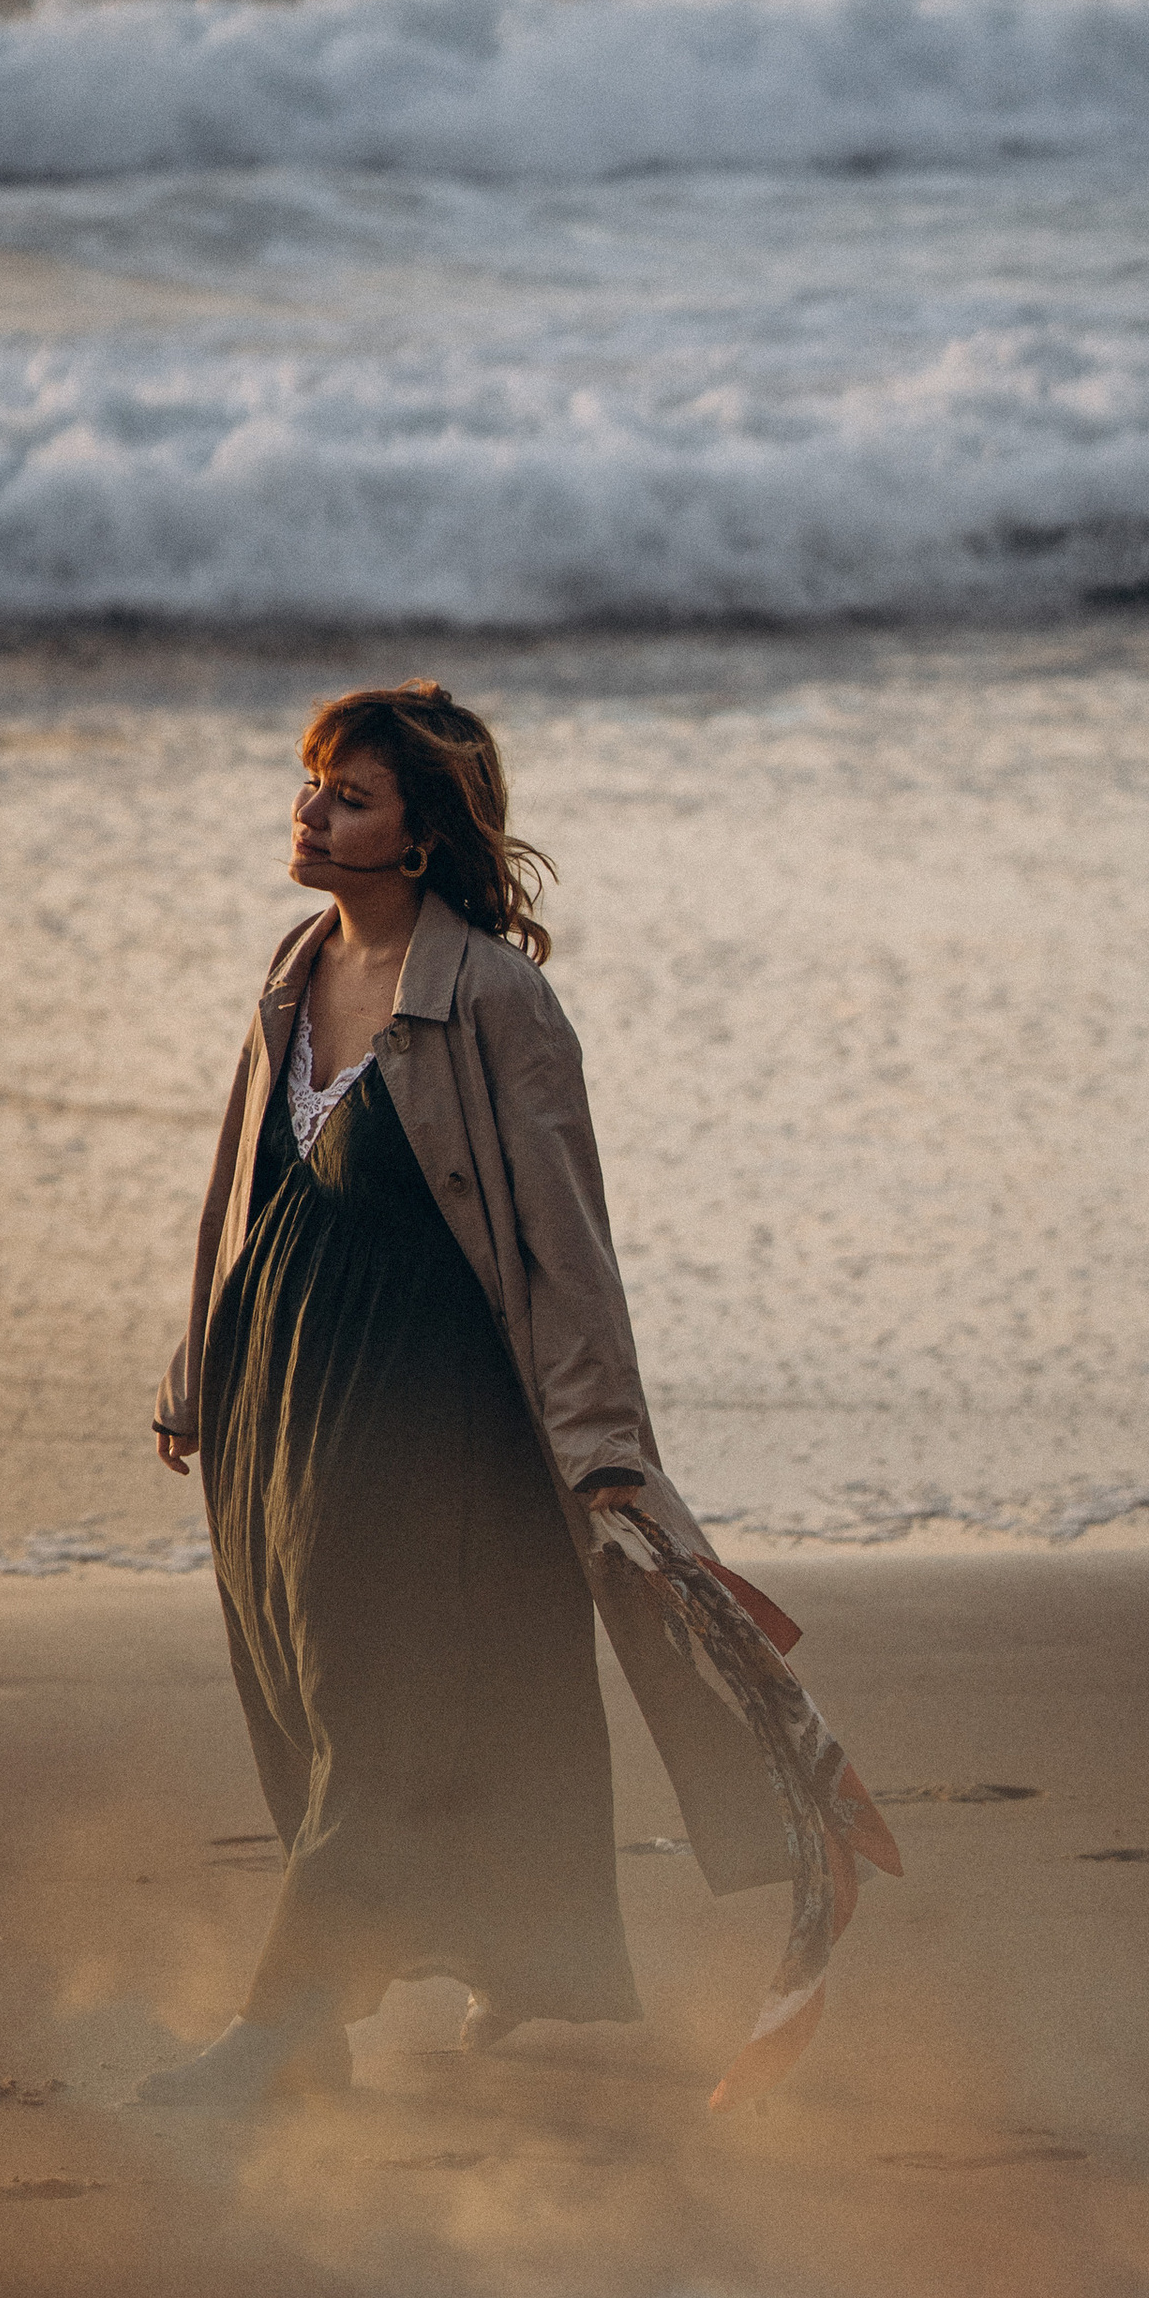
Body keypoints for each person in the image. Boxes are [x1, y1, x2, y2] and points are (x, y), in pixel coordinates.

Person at [142, 679, 781, 2112]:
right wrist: (197, 1362)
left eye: (348, 796)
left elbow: (568, 1241)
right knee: (314, 1699)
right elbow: (237, 1189)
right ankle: (535, 1968)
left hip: (439, 1428)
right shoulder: (295, 968)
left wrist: (605, 1446)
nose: (311, 810)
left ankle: (291, 2022)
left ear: (424, 839)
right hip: (289, 1407)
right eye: (312, 784)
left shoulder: (495, 1000)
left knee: (381, 1707)